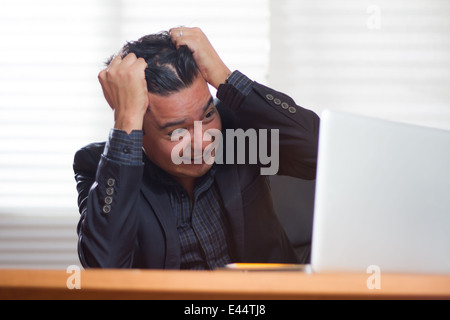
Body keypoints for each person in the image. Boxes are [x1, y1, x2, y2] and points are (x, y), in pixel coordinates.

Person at [73, 27, 320, 269]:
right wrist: (126, 119)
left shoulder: (238, 131)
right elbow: (104, 267)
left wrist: (226, 78)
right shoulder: (98, 167)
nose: (203, 143)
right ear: (139, 129)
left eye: (208, 114)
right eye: (176, 132)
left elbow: (320, 155)